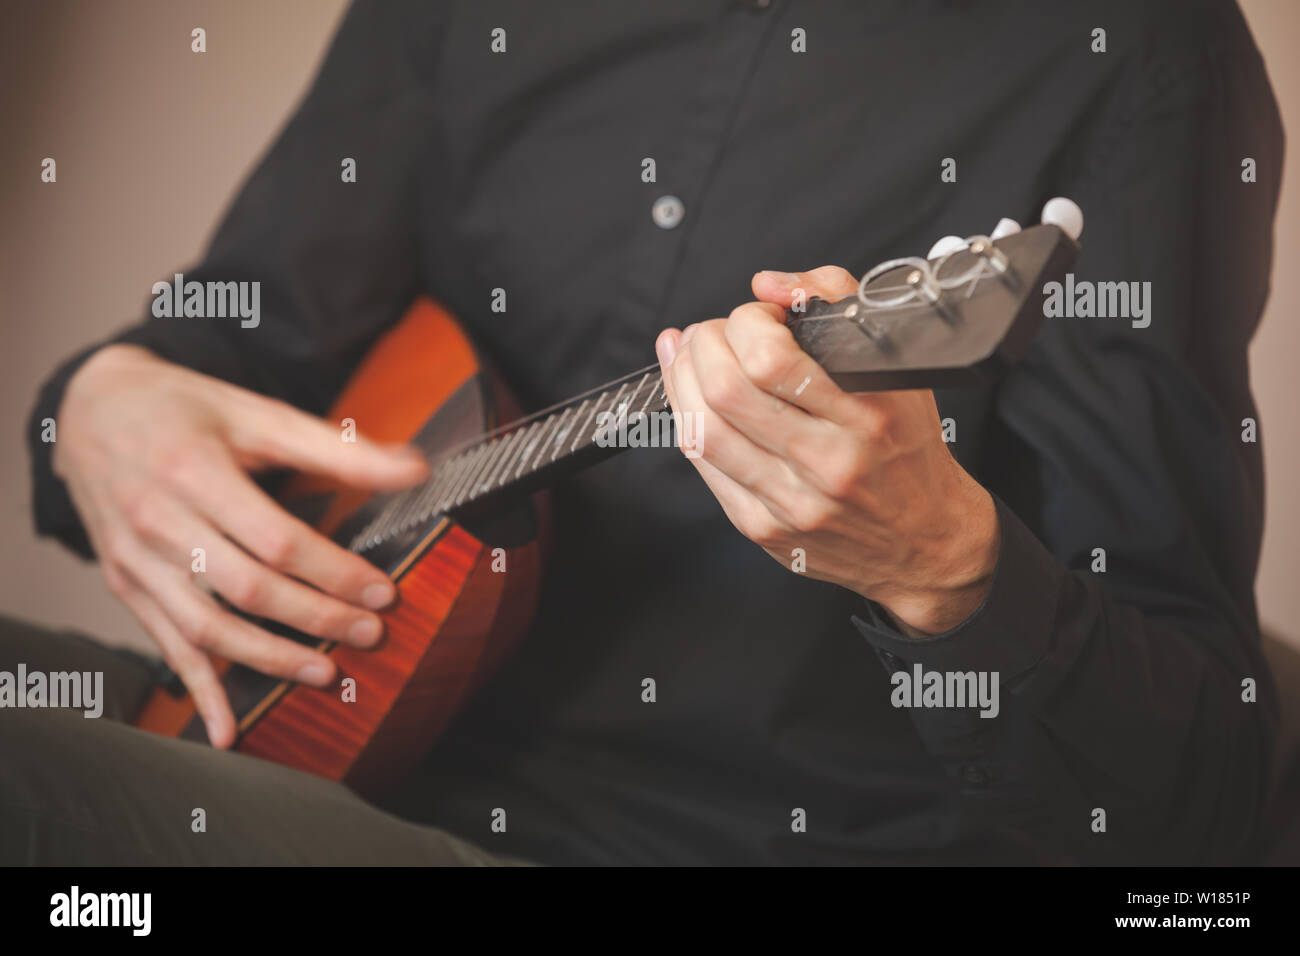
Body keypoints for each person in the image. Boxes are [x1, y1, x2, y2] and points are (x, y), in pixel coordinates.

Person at [3, 0, 1284, 865]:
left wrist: (944, 567)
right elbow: (231, 353)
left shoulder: (1137, 52)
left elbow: (1202, 796)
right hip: (306, 721)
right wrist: (94, 408)